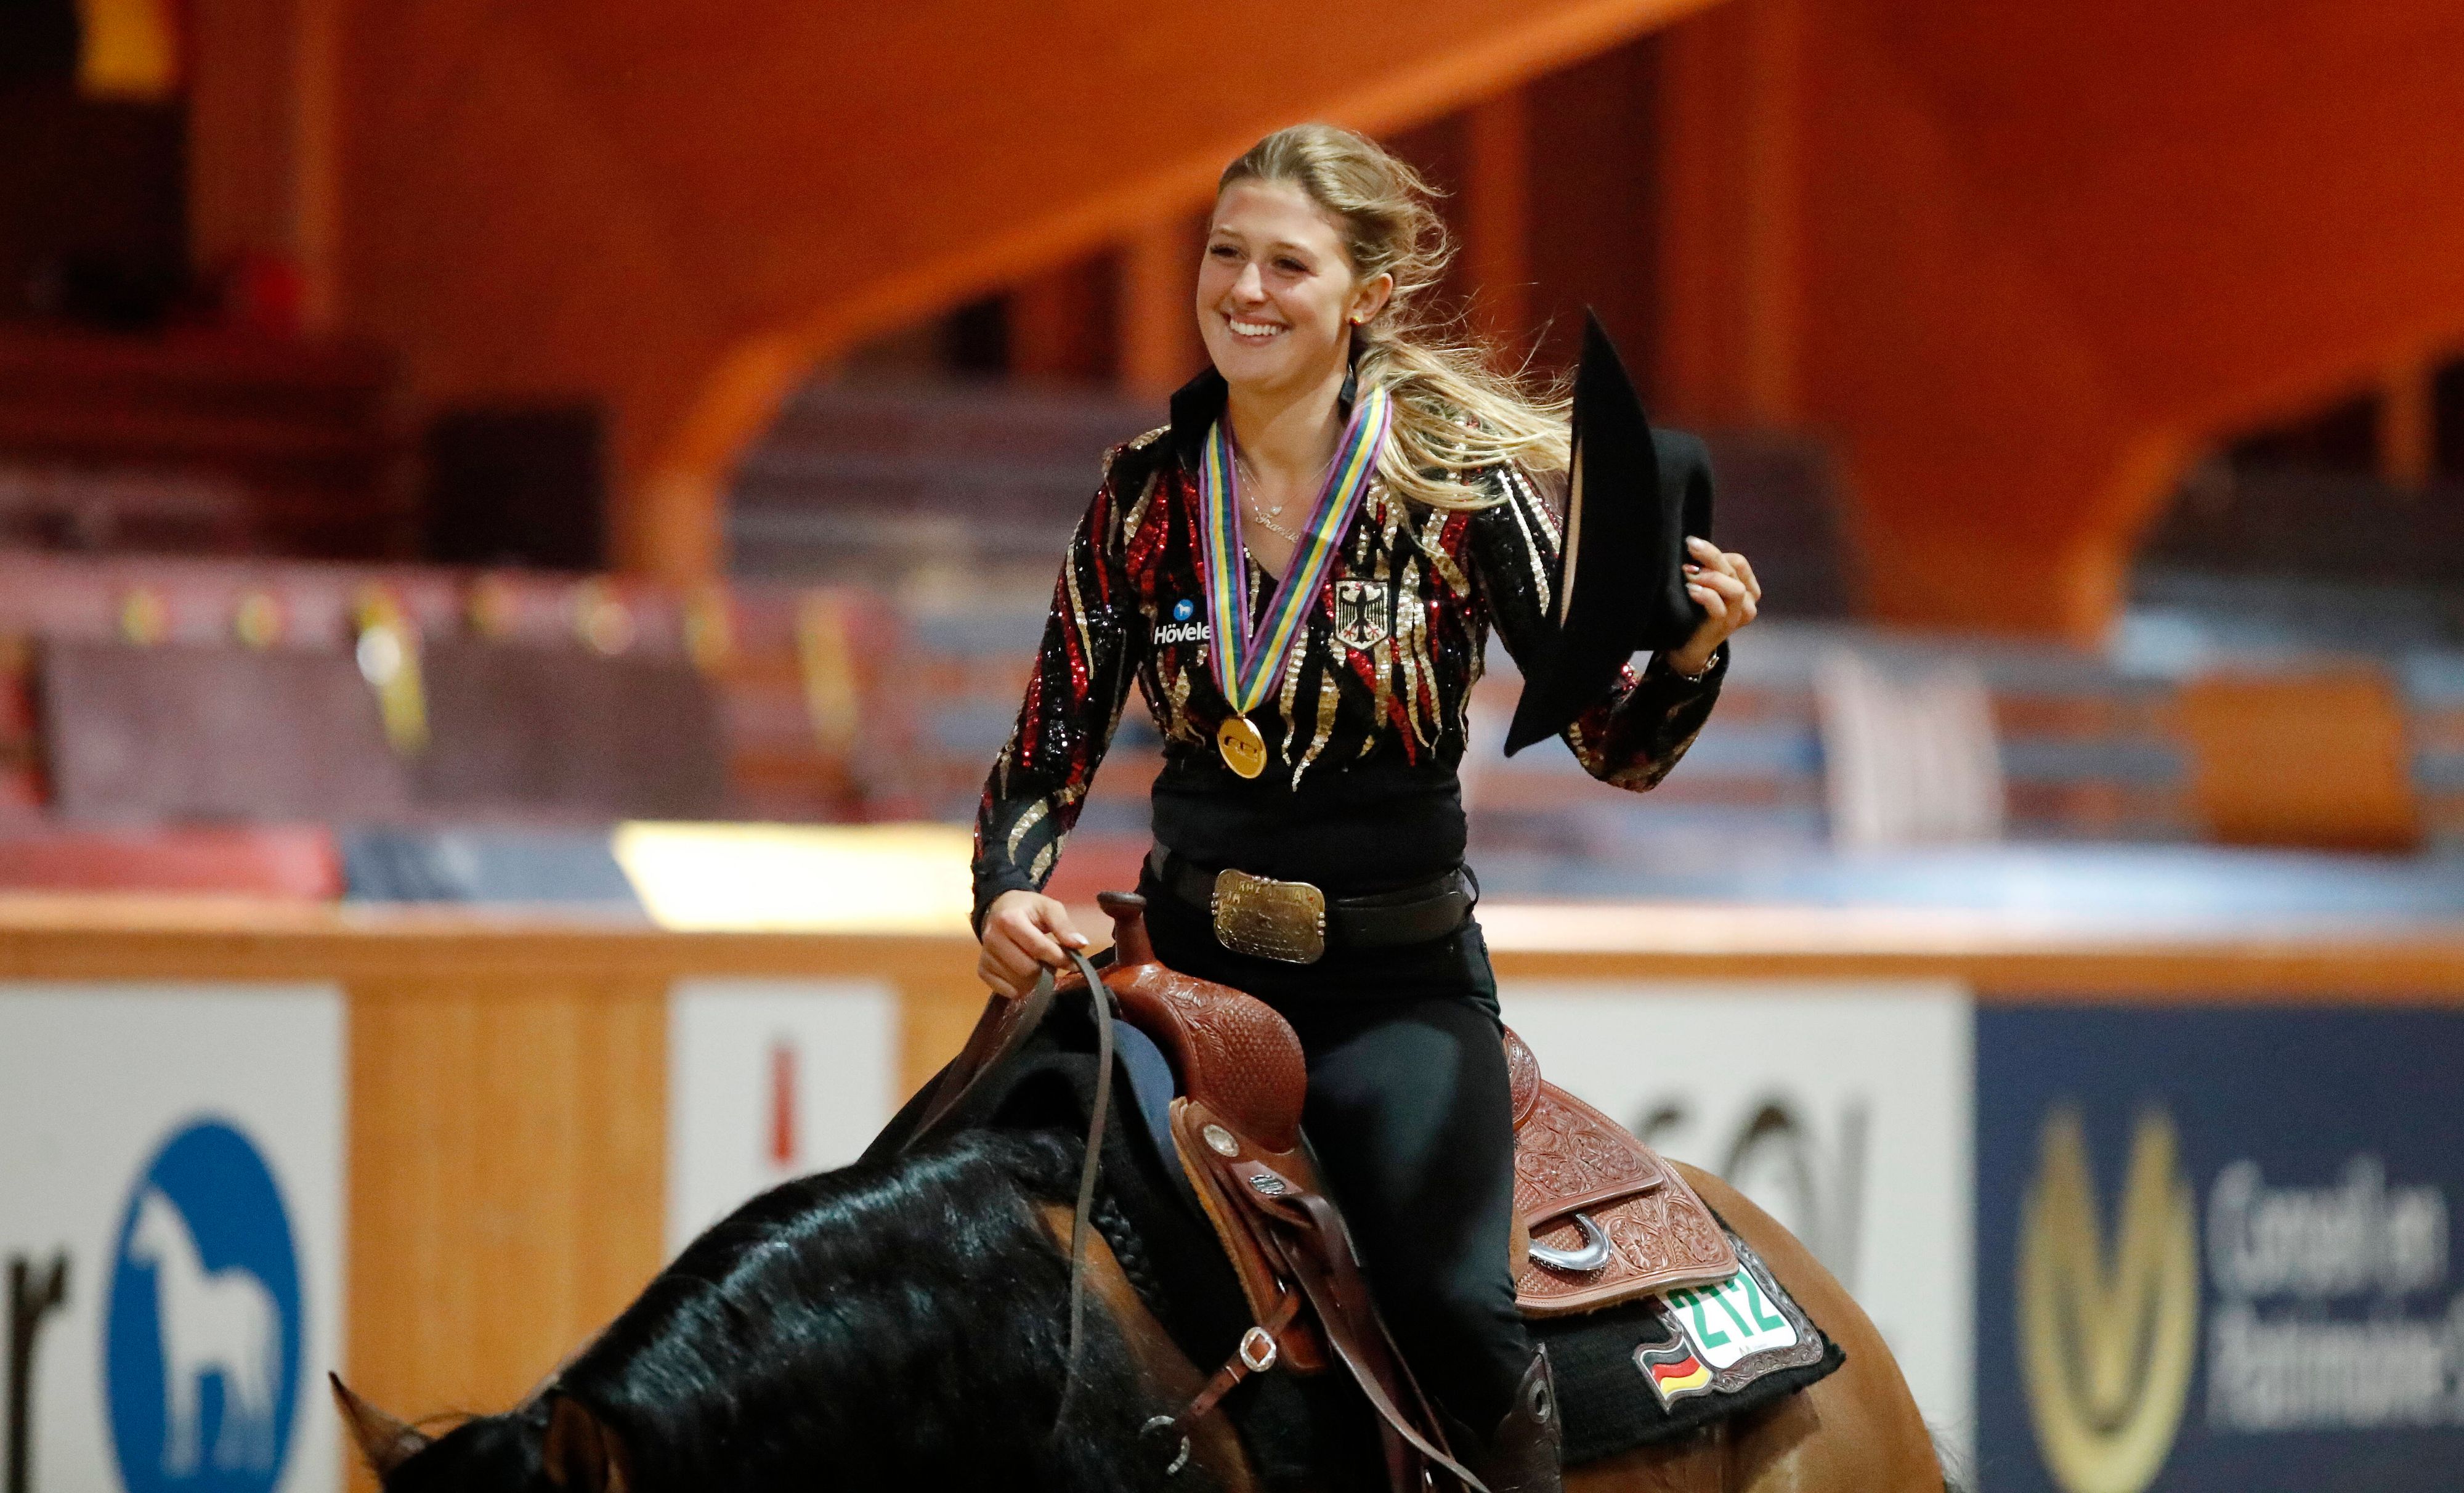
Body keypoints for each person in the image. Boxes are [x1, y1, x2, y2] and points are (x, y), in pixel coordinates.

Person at [971, 123, 1761, 1492]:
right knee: (950, 1207)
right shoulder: (1142, 493)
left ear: (1366, 298)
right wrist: (1002, 886)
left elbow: (1611, 748)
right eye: (1225, 255)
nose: (1246, 290)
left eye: (1288, 263)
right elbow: (1046, 752)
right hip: (1177, 978)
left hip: (1390, 996)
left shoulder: (1455, 489)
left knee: (1453, 1312)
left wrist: (1690, 654)